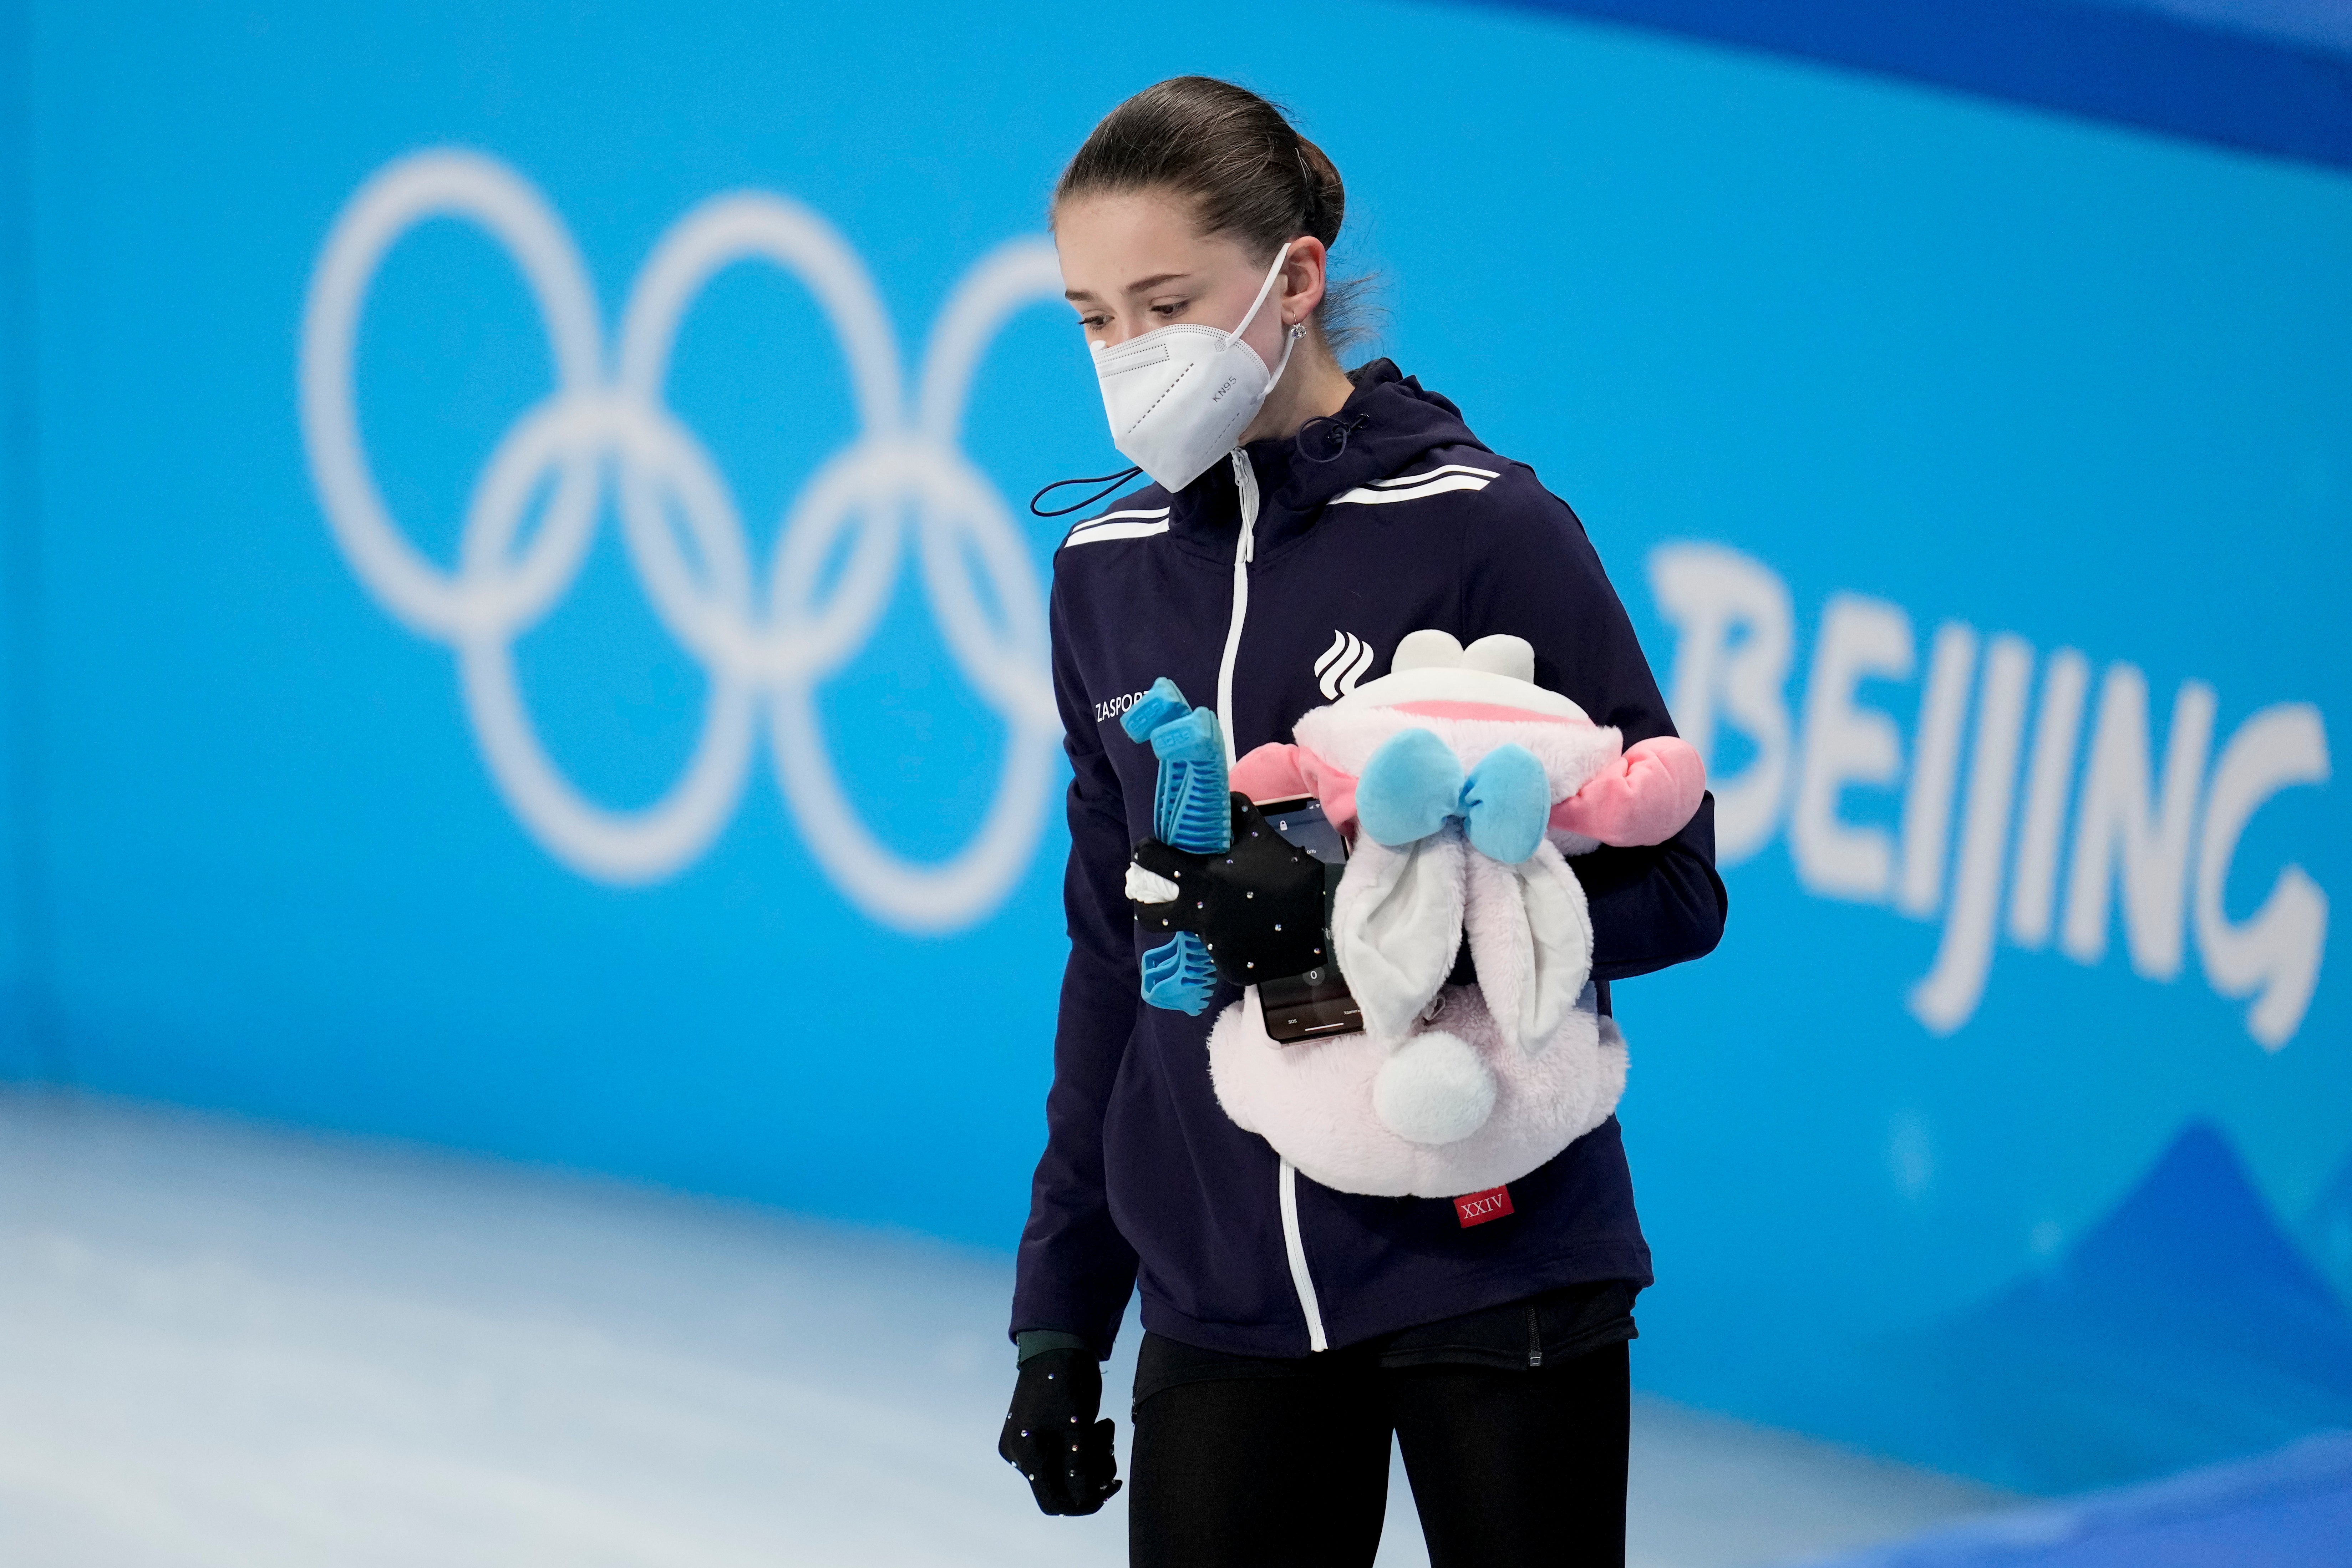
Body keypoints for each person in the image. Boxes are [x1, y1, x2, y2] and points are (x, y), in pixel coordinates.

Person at [999, 76, 1727, 1568]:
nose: (1129, 356)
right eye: (1091, 318)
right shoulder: (1102, 572)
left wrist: (1372, 904)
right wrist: (1061, 1308)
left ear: (1294, 277)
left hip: (1491, 1265)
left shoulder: (1484, 530)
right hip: (1218, 1288)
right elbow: (1105, 964)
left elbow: (1678, 889)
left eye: (1163, 302)